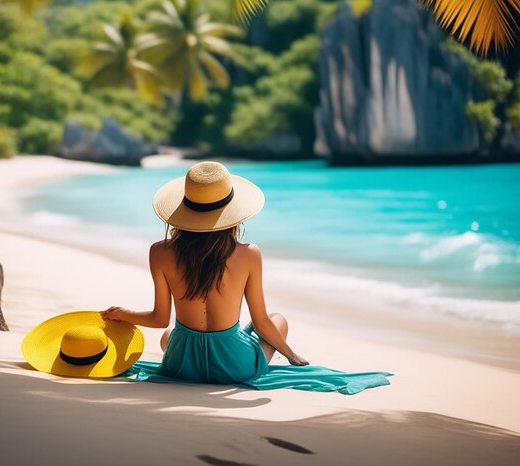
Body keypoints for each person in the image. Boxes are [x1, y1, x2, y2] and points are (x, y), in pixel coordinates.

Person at [101, 161, 392, 394]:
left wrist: (124, 314)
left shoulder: (160, 252)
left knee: (169, 336)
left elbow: (160, 319)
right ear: (231, 214)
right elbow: (262, 322)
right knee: (278, 320)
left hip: (182, 363)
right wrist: (292, 357)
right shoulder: (249, 254)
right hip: (234, 366)